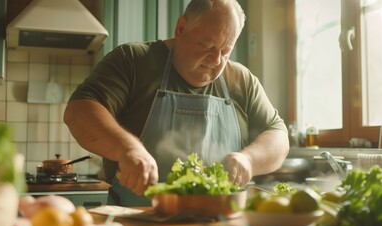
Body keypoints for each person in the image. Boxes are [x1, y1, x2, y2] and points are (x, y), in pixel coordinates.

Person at [64, 0, 289, 206]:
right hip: (138, 225)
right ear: (181, 29)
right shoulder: (133, 61)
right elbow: (79, 111)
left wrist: (248, 160)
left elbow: (278, 135)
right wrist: (127, 149)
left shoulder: (242, 80)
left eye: (225, 51)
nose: (216, 60)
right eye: (207, 46)